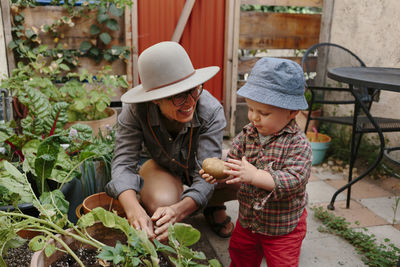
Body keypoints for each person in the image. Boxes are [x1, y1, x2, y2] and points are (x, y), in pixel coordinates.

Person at [105, 41, 238, 242]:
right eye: (178, 97)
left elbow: (206, 174)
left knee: (244, 176)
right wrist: (134, 210)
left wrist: (179, 210)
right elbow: (123, 164)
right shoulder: (135, 112)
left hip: (202, 169)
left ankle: (212, 204)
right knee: (161, 202)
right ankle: (184, 204)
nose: (191, 102)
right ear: (155, 99)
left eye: (194, 90)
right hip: (164, 167)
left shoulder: (210, 111)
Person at [201, 57, 313, 267]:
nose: (254, 117)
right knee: (241, 256)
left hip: (283, 227)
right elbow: (233, 160)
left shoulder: (298, 144)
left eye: (264, 113)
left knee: (282, 263)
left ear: (291, 112)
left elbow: (294, 180)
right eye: (251, 109)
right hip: (248, 221)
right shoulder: (247, 134)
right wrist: (219, 174)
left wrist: (255, 176)